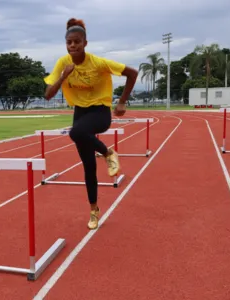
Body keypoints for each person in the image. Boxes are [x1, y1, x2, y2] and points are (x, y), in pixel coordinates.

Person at [43, 17, 138, 230]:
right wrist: (63, 77)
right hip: (80, 113)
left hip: (100, 113)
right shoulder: (63, 63)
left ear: (85, 43)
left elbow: (132, 73)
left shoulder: (98, 63)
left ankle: (108, 153)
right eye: (69, 42)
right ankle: (94, 210)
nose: (73, 46)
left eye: (77, 41)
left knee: (75, 133)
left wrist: (122, 102)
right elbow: (48, 95)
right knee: (88, 166)